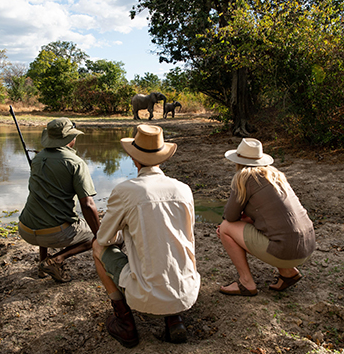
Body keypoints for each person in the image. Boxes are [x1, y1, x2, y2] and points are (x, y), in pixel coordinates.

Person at [92, 124, 199, 347]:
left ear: (134, 160)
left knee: (97, 248)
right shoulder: (183, 189)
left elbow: (103, 239)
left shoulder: (126, 191)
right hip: (186, 291)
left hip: (147, 294)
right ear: (162, 158)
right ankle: (174, 318)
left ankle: (125, 323)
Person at [217, 138, 316, 296]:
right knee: (276, 226)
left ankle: (246, 282)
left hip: (286, 250)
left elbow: (230, 216)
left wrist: (241, 219)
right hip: (308, 245)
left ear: (238, 160)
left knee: (225, 228)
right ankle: (288, 272)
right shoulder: (275, 174)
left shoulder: (244, 177)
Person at [18, 118, 100, 283]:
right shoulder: (76, 163)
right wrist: (101, 235)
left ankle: (42, 265)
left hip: (25, 229)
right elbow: (88, 205)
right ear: (71, 138)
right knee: (95, 235)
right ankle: (56, 260)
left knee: (44, 208)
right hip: (53, 234)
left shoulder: (38, 158)